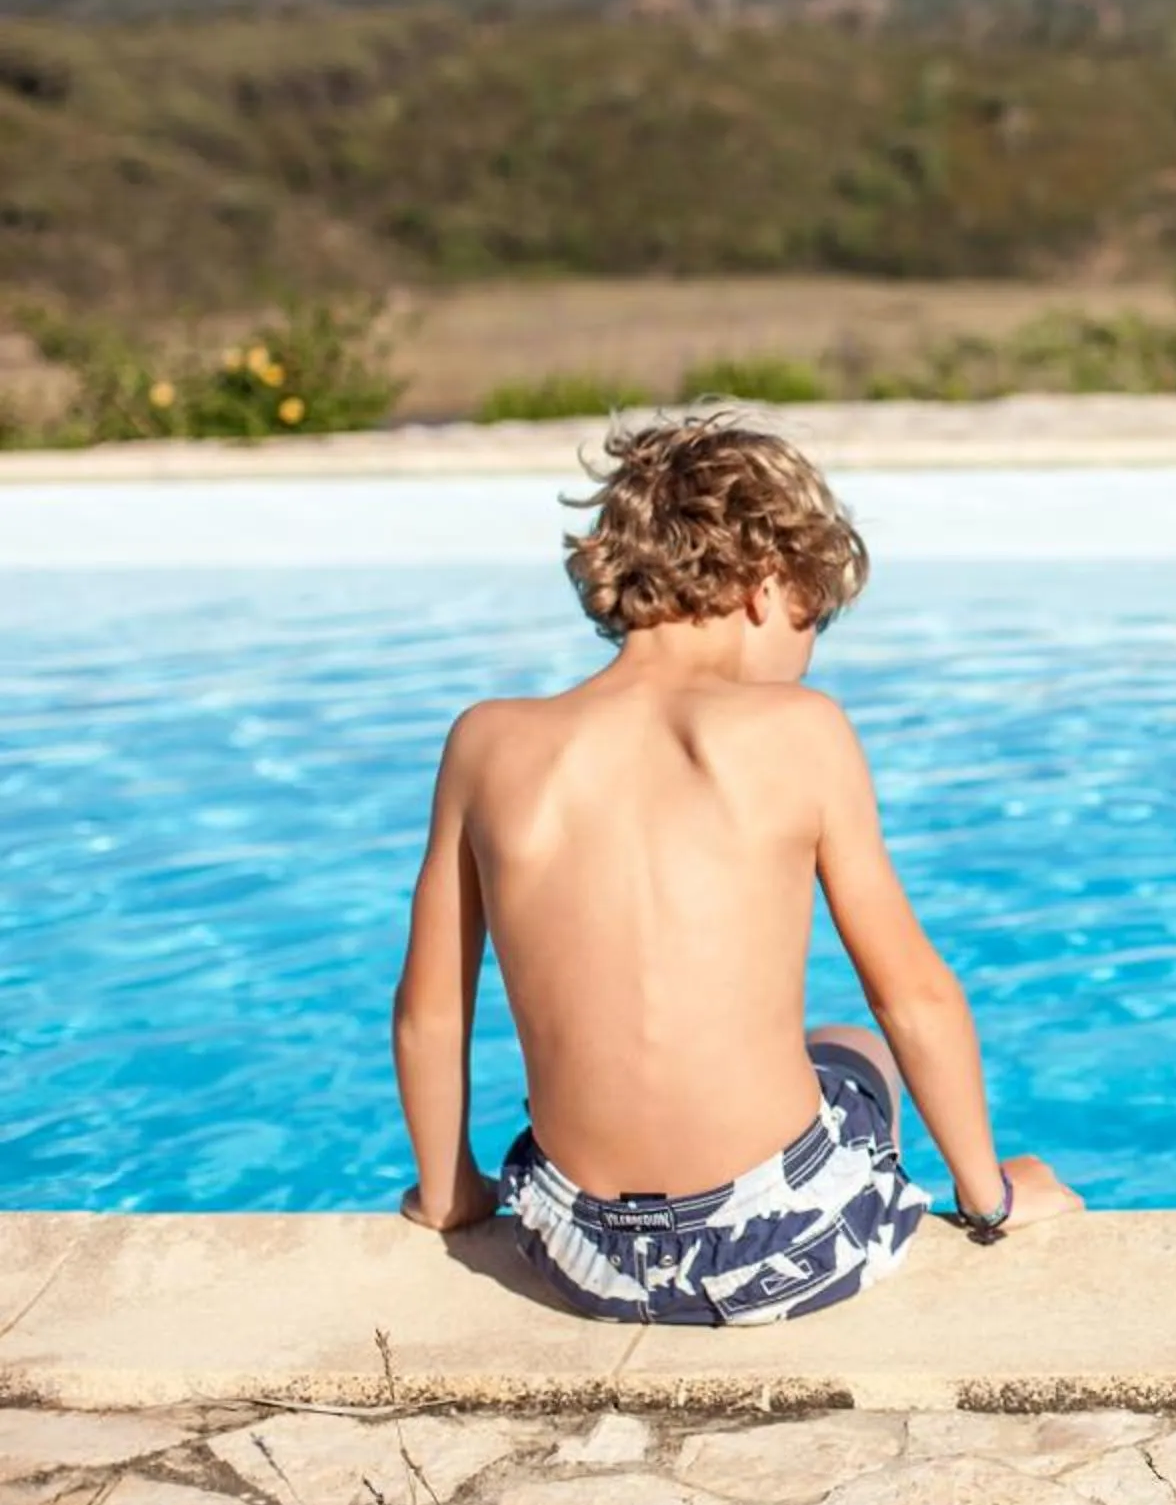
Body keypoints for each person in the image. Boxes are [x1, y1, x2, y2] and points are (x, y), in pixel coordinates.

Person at [390, 414, 1079, 1322]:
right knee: (853, 1047)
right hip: (785, 1249)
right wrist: (986, 1196)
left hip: (577, 1252)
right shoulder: (802, 731)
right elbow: (913, 996)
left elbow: (432, 1010)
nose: (808, 649)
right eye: (814, 619)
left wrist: (450, 1196)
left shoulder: (487, 742)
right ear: (766, 586)